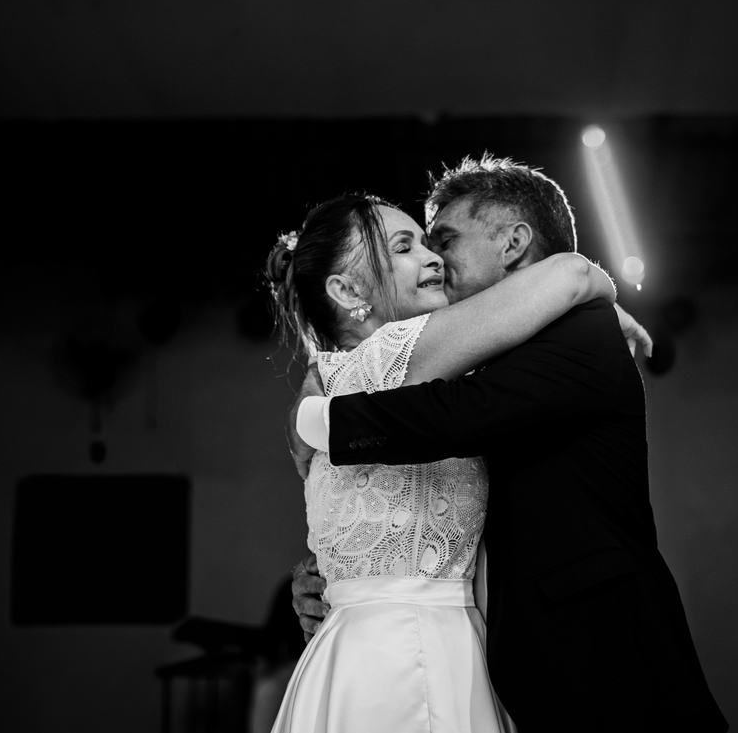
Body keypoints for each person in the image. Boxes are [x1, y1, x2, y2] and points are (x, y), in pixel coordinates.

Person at [289, 155, 729, 731]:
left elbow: (449, 417)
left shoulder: (580, 333)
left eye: (444, 240)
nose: (434, 258)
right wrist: (342, 576)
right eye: (413, 246)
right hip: (475, 665)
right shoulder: (455, 359)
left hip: (608, 664)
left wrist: (315, 418)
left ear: (514, 244)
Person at [263, 189, 632, 733]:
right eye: (405, 247)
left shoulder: (360, 377)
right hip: (401, 655)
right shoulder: (392, 353)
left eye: (433, 242)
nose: (432, 257)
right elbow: (573, 274)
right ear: (347, 290)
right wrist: (606, 298)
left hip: (435, 645)